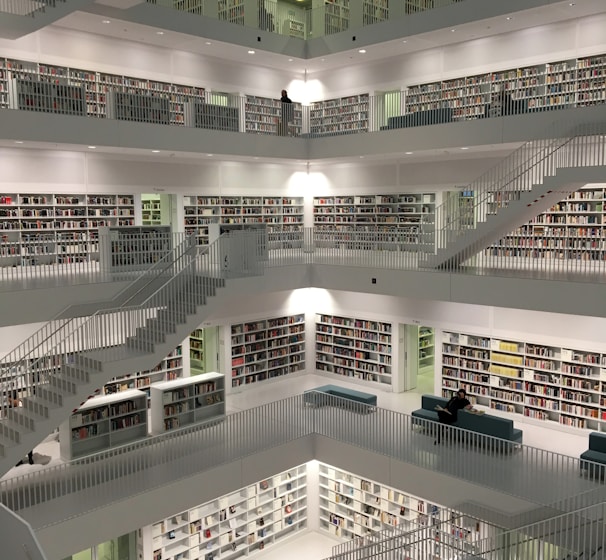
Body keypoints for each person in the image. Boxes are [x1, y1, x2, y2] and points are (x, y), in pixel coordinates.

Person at [8, 390, 34, 466]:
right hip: (17, 426)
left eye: (10, 399)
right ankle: (21, 459)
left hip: (23, 426)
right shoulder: (12, 405)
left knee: (27, 442)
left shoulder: (19, 403)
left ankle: (30, 458)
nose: (9, 401)